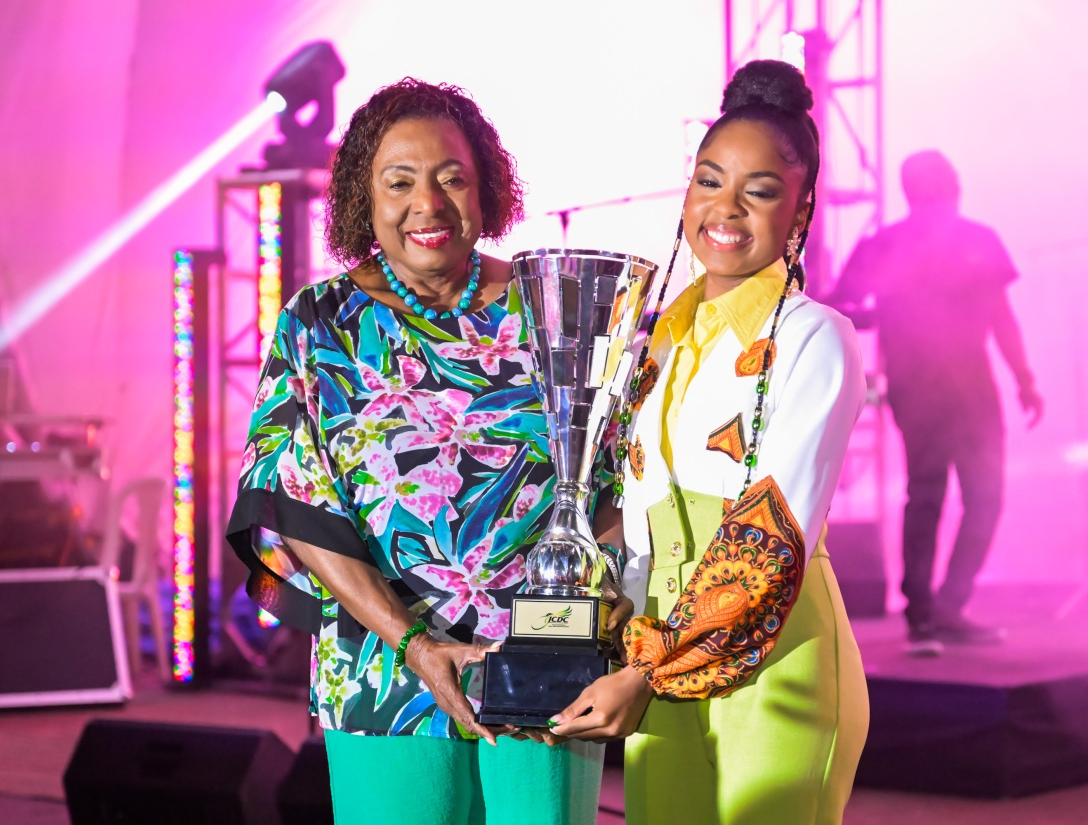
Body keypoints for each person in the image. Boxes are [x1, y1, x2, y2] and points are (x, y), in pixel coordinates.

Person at [226, 78, 604, 825]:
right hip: (381, 661)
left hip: (538, 658)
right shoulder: (321, 323)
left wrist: (598, 619)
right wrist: (416, 644)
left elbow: (612, 484)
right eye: (399, 181)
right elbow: (293, 502)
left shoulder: (554, 303)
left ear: (486, 187)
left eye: (451, 178)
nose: (427, 203)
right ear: (362, 198)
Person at [549, 60, 869, 825]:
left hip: (776, 667)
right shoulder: (653, 341)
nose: (725, 208)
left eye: (758, 191)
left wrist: (646, 670)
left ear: (798, 214)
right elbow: (632, 521)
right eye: (708, 181)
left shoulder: (813, 337)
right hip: (654, 658)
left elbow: (767, 540)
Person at [824, 150, 1044, 656]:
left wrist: (888, 316)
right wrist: (1025, 380)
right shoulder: (977, 239)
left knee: (925, 494)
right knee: (982, 496)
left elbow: (840, 306)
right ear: (953, 186)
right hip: (970, 385)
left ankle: (925, 615)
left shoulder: (884, 245)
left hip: (916, 384)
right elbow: (1001, 317)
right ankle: (944, 607)